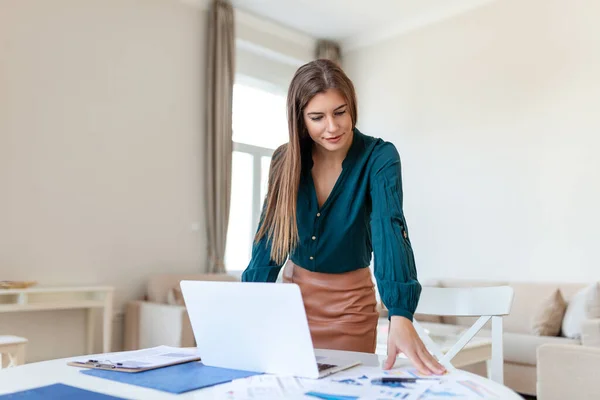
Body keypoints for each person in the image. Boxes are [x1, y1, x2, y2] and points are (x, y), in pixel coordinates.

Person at [241, 59, 445, 376]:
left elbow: (389, 229)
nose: (332, 127)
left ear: (352, 107)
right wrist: (248, 303)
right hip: (291, 305)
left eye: (340, 112)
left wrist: (400, 314)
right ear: (300, 120)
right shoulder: (284, 159)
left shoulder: (380, 157)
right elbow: (270, 236)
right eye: (317, 117)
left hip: (350, 309)